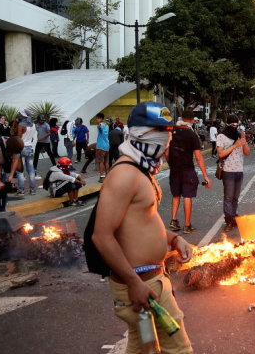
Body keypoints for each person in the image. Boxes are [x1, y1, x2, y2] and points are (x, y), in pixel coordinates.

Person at [91, 101, 194, 354]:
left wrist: (172, 239)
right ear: (138, 132)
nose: (166, 137)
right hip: (140, 287)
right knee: (178, 349)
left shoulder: (142, 169)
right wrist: (134, 284)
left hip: (151, 282)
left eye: (169, 130)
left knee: (144, 347)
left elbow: (141, 221)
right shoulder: (125, 174)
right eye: (159, 130)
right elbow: (102, 236)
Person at [166, 110, 212, 234]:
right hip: (187, 170)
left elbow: (166, 152)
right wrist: (206, 176)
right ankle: (187, 225)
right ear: (192, 121)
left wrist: (171, 165)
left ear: (181, 118)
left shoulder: (171, 132)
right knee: (187, 196)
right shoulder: (192, 135)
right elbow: (198, 156)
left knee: (176, 195)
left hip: (175, 170)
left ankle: (173, 221)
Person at [217, 114, 250, 232]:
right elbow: (220, 154)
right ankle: (228, 220)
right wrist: (235, 145)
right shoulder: (221, 136)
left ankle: (233, 216)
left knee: (235, 197)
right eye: (233, 124)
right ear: (228, 124)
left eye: (237, 124)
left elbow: (247, 153)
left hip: (239, 171)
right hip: (228, 171)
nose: (235, 126)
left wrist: (243, 140)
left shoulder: (238, 136)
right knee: (228, 197)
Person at [0, 136, 23, 212]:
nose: (13, 154)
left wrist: (11, 176)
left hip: (0, 171)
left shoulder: (15, 145)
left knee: (2, 194)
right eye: (12, 152)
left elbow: (15, 161)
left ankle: (1, 215)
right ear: (9, 149)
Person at [16, 109, 37, 195]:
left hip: (22, 148)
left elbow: (18, 139)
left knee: (20, 170)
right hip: (30, 148)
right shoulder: (33, 125)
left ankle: (21, 190)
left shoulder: (21, 126)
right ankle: (32, 189)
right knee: (31, 170)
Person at [95, 113, 110, 183]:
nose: (96, 119)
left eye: (98, 118)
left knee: (100, 161)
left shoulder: (101, 125)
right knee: (106, 162)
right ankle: (108, 176)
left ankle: (102, 176)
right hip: (107, 146)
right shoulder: (107, 126)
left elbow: (100, 128)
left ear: (101, 119)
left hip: (100, 146)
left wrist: (99, 126)